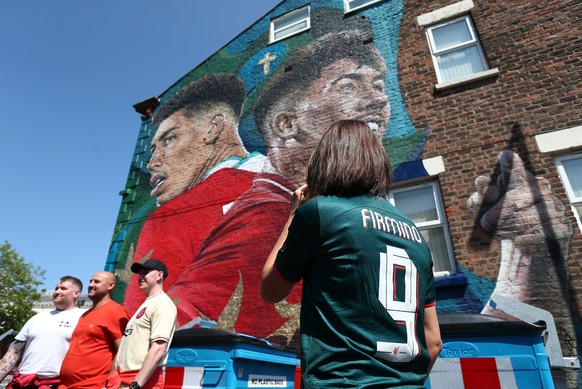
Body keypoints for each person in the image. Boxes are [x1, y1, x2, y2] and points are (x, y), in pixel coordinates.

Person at [166, 28, 391, 344]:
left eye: (379, 86)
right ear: (286, 124)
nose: (380, 97)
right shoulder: (270, 214)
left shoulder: (334, 210)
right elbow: (185, 314)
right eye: (349, 86)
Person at [261, 120, 442, 388]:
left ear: (326, 163)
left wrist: (293, 214)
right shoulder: (415, 235)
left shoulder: (321, 212)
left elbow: (270, 289)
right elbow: (434, 341)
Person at [123, 73, 263, 314]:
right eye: (153, 148)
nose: (152, 162)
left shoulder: (172, 217)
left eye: (170, 139)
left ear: (213, 128)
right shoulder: (292, 185)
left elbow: (140, 319)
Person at [0, 276, 84, 388]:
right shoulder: (36, 318)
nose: (57, 292)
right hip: (23, 382)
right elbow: (14, 352)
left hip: (56, 384)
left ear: (76, 293)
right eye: (56, 288)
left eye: (63, 288)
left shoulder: (84, 318)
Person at [109, 259, 176, 389]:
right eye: (139, 274)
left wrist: (136, 385)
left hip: (142, 381)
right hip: (122, 380)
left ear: (159, 275)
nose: (140, 277)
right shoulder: (147, 304)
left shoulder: (162, 303)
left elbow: (158, 349)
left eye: (145, 272)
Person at [58, 271, 129, 389]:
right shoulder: (85, 314)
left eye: (96, 281)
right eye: (90, 281)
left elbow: (123, 350)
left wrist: (108, 383)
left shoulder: (116, 312)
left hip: (92, 385)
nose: (90, 284)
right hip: (65, 385)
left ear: (110, 286)